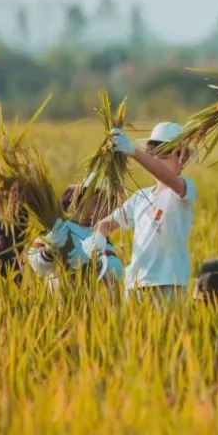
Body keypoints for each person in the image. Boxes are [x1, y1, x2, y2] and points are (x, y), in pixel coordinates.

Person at [83, 123, 197, 304]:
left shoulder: (184, 190)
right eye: (152, 153)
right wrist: (98, 238)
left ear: (182, 157)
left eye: (165, 153)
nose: (157, 159)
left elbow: (165, 176)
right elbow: (105, 224)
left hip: (169, 284)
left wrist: (134, 153)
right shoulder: (139, 197)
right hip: (136, 284)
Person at [27, 175, 125, 291]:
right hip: (59, 300)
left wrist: (93, 264)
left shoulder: (99, 235)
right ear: (81, 198)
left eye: (107, 204)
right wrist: (49, 250)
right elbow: (37, 266)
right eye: (97, 200)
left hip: (91, 302)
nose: (102, 208)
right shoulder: (58, 226)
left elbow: (116, 270)